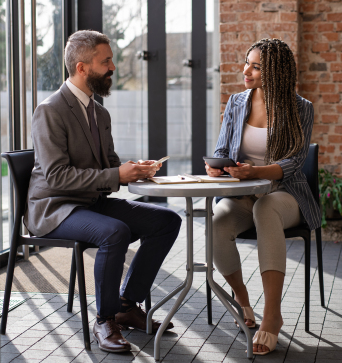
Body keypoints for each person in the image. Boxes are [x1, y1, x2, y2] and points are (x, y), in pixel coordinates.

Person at [25, 30, 182, 353]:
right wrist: (116, 173)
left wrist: (135, 169)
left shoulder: (99, 113)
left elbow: (108, 166)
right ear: (82, 68)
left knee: (167, 221)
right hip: (54, 208)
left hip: (90, 203)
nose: (113, 68)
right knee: (115, 232)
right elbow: (56, 177)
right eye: (105, 61)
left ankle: (126, 304)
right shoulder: (51, 110)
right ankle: (105, 319)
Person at [205, 38, 321, 355]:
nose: (246, 70)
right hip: (242, 191)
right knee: (215, 226)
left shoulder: (301, 108)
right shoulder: (236, 102)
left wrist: (258, 172)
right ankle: (242, 300)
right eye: (247, 63)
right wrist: (218, 166)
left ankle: (272, 316)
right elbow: (221, 150)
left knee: (266, 209)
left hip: (284, 193)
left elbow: (295, 161)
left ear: (276, 72)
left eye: (256, 66)